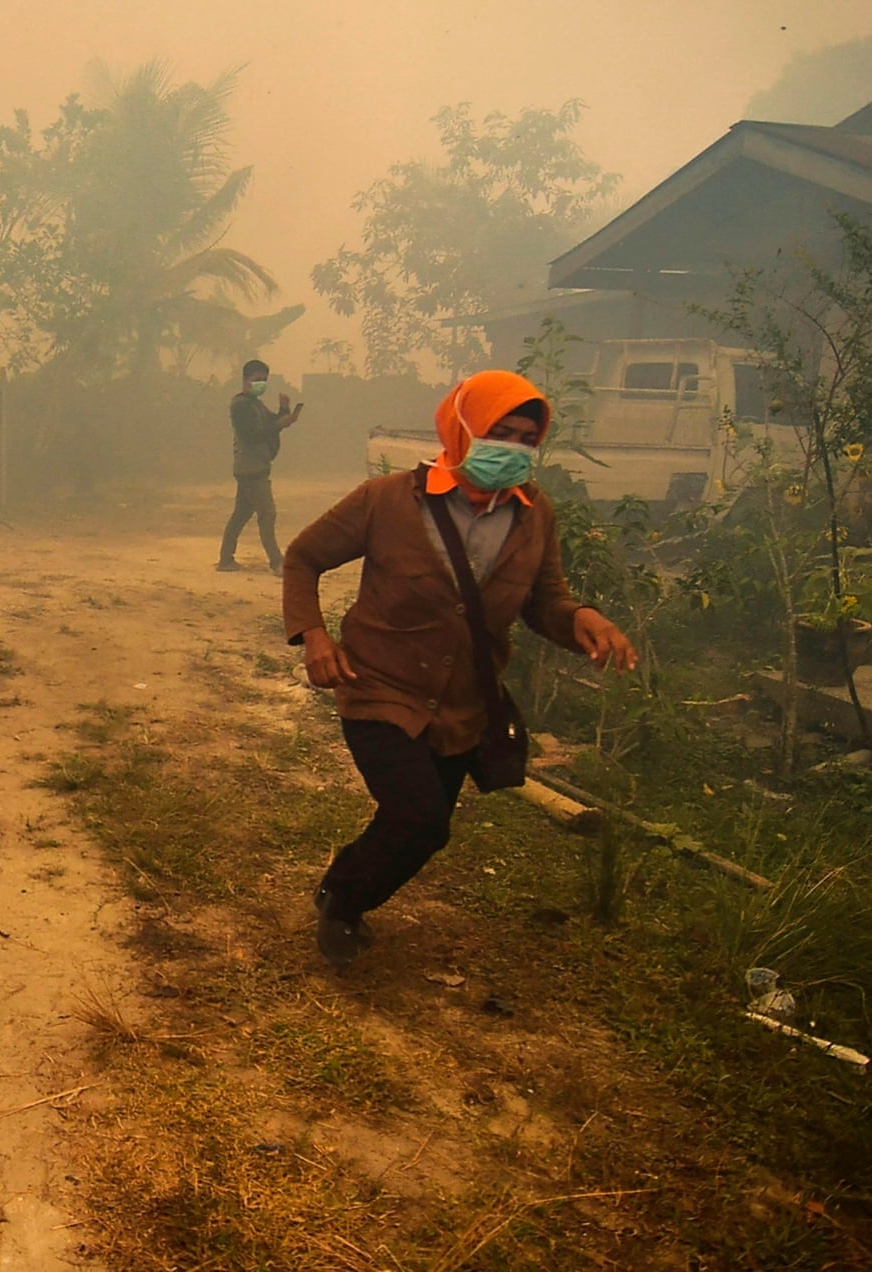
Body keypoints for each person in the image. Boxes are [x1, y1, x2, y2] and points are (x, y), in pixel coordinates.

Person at [281, 370, 637, 967]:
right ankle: (342, 900)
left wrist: (581, 620)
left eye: (527, 437)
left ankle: (347, 889)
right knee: (419, 817)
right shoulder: (387, 500)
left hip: (462, 706)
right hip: (377, 686)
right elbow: (304, 557)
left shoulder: (534, 515)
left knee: (425, 825)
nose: (515, 448)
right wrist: (314, 636)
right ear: (462, 427)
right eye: (501, 431)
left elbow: (545, 601)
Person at [218, 359, 304, 575]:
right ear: (246, 380)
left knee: (241, 513)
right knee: (267, 514)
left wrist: (284, 411)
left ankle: (225, 559)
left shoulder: (254, 403)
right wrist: (280, 423)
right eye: (258, 380)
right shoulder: (241, 405)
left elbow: (270, 425)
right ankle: (276, 562)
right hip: (251, 468)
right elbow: (253, 434)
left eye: (264, 380)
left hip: (254, 466)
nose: (261, 384)